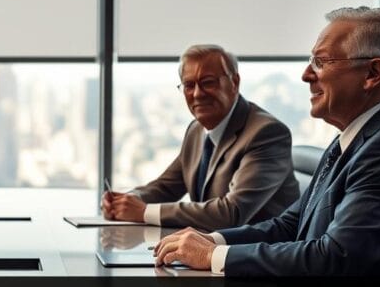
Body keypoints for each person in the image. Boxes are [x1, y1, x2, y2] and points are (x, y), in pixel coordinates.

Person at [154, 7, 380, 276]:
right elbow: (289, 226)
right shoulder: (356, 138)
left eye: (321, 62)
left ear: (373, 73)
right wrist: (213, 240)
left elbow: (335, 257)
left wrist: (214, 256)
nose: (306, 74)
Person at [102, 45, 299, 231]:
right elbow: (166, 187)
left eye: (208, 83)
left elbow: (232, 213)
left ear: (234, 82)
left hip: (256, 257)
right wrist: (126, 200)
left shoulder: (266, 133)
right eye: (189, 85)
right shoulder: (196, 130)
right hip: (209, 249)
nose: (197, 94)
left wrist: (144, 212)